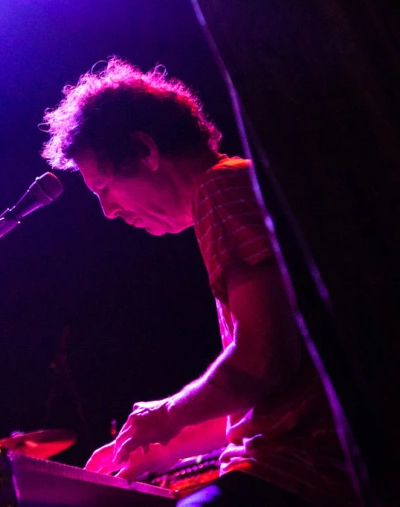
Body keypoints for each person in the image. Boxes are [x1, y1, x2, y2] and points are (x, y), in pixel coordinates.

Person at [40, 58, 355, 506]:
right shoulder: (242, 184)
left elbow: (264, 358)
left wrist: (167, 414)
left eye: (104, 188)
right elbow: (264, 392)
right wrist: (155, 450)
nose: (108, 212)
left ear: (145, 151)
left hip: (298, 471)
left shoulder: (219, 187)